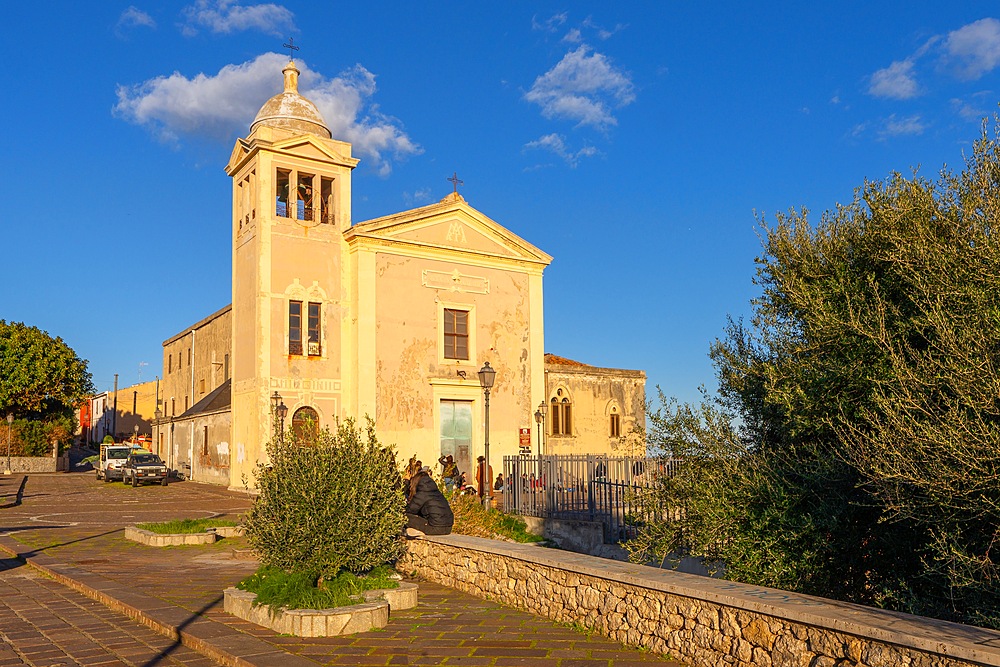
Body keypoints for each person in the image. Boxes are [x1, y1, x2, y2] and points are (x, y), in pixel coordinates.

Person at [405, 466, 454, 536]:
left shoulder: (422, 493)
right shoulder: (436, 492)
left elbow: (410, 510)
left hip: (435, 528)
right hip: (448, 528)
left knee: (404, 517)